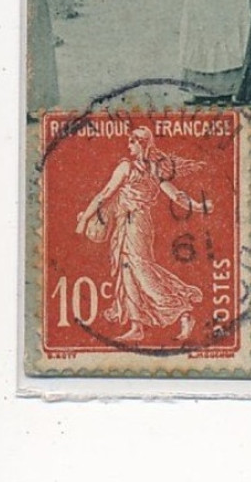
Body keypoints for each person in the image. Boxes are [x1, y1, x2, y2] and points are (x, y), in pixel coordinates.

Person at [74, 127, 208, 343]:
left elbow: (105, 194)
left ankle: (182, 311)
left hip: (134, 224)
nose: (128, 145)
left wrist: (82, 221)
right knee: (128, 272)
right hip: (130, 224)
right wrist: (198, 206)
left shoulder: (127, 167)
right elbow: (177, 196)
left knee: (142, 272)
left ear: (141, 144)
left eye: (132, 141)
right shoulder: (154, 169)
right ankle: (137, 326)